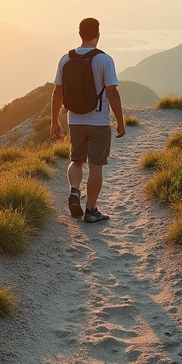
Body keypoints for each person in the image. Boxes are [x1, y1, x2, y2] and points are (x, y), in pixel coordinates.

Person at [50, 17, 125, 223]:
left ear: (80, 33)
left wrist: (55, 121)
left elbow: (57, 93)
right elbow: (112, 94)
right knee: (96, 166)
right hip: (98, 121)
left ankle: (74, 191)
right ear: (98, 35)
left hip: (75, 119)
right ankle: (91, 211)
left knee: (76, 160)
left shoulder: (66, 59)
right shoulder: (104, 60)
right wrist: (120, 120)